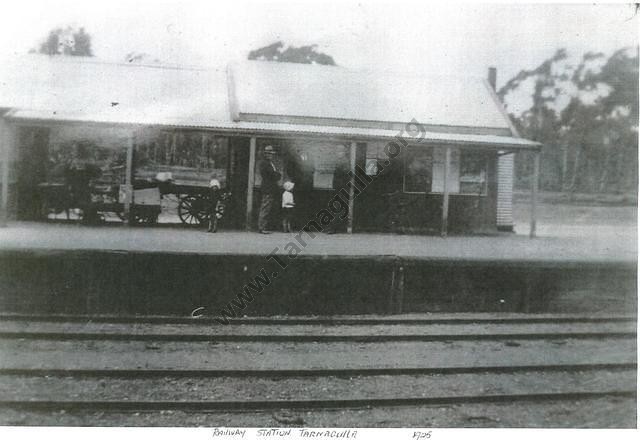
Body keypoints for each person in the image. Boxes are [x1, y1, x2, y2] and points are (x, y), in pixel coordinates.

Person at [326, 148, 351, 234]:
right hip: (339, 187)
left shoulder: (344, 162)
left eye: (340, 152)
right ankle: (335, 228)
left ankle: (334, 228)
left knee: (337, 208)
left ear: (343, 153)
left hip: (341, 188)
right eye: (338, 152)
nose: (338, 153)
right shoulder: (342, 162)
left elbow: (344, 174)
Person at [257, 145, 281, 234]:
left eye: (271, 154)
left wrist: (276, 174)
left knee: (267, 207)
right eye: (269, 154)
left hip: (270, 188)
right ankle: (261, 227)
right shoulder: (264, 163)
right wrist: (277, 175)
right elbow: (272, 174)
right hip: (268, 188)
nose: (271, 155)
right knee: (265, 207)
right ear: (265, 154)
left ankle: (263, 226)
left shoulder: (269, 163)